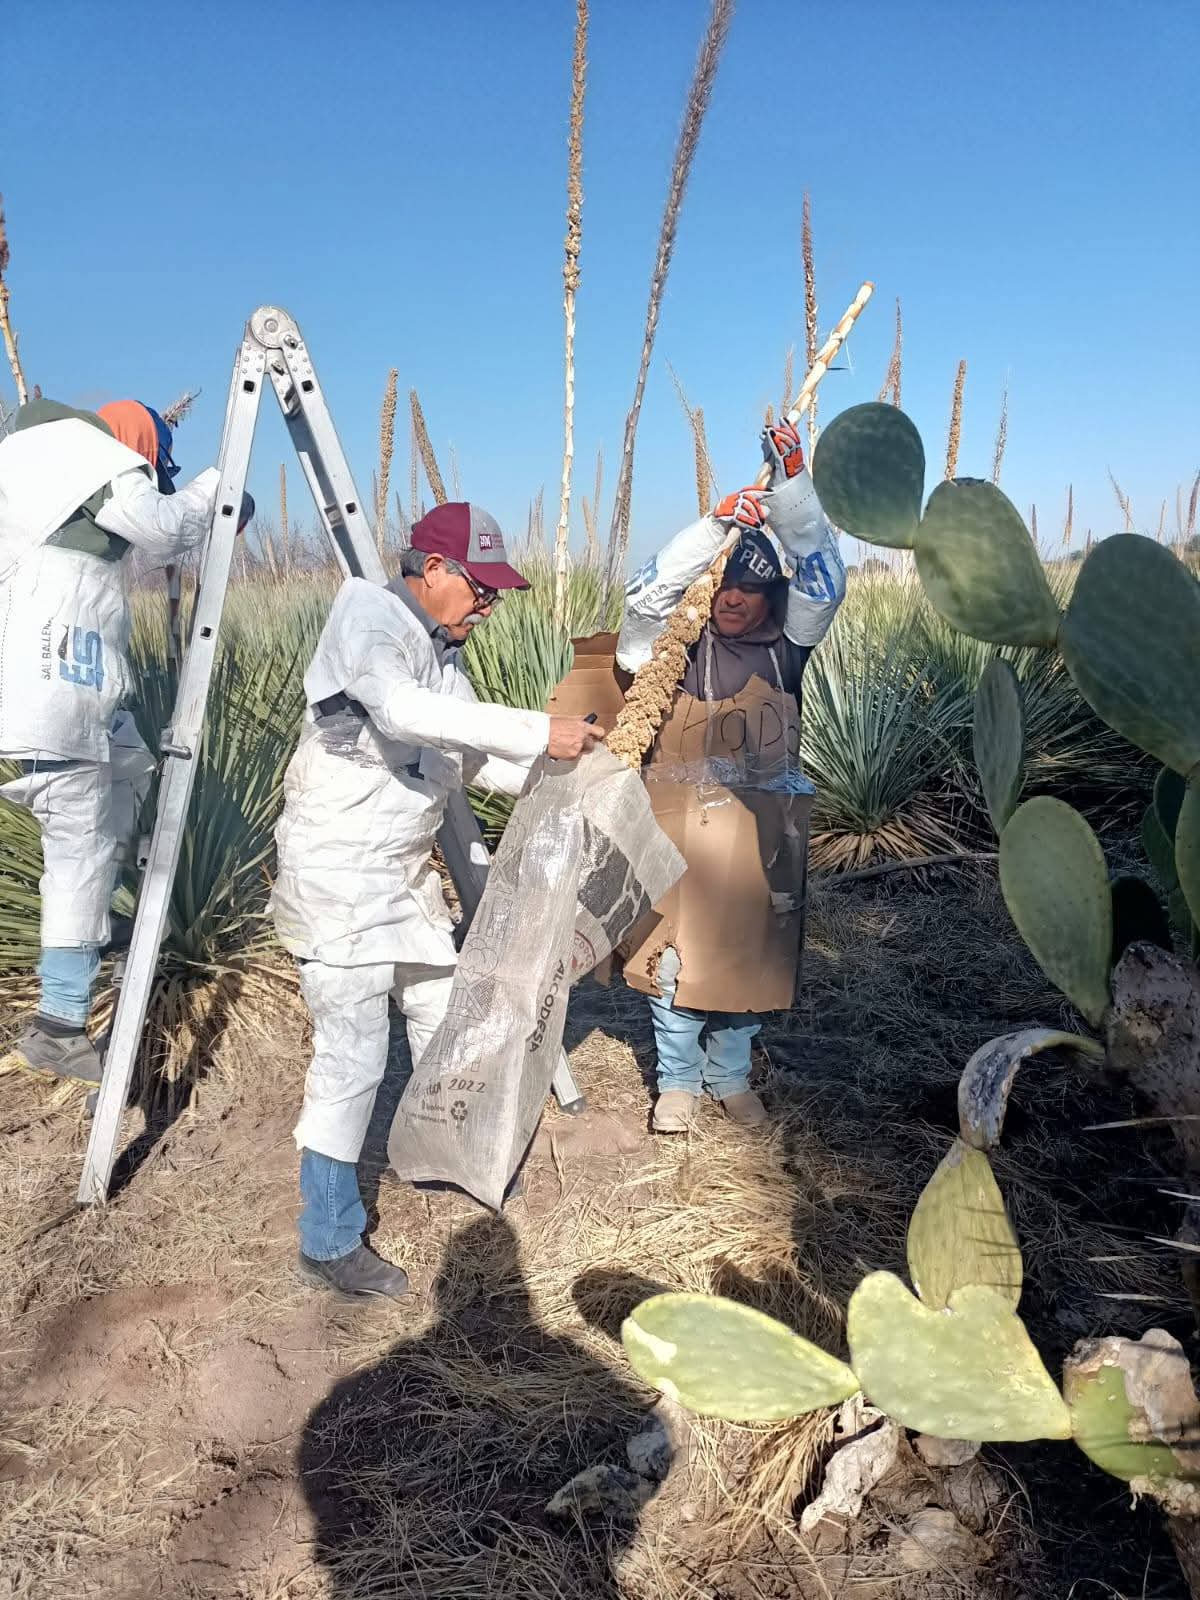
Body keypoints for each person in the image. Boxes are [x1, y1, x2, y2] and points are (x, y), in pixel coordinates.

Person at [271, 502, 604, 1299]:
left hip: (398, 876)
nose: (488, 607)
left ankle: (444, 1156)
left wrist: (570, 773)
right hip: (337, 877)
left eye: (495, 595)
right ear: (433, 570)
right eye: (479, 589)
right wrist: (540, 731)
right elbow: (401, 711)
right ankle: (327, 1238)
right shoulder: (370, 620)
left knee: (442, 1014)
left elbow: (463, 755)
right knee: (353, 1054)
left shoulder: (442, 659)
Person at [0, 397, 244, 1085]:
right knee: (77, 845)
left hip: (71, 692)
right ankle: (60, 1022)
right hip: (56, 699)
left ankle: (100, 920)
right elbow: (162, 531)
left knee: (132, 764)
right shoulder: (91, 453)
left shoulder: (40, 466)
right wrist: (222, 489)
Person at [616, 419, 845, 1132]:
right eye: (724, 585)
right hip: (676, 830)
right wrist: (715, 527)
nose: (733, 598)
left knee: (752, 949)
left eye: (750, 587)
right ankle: (678, 1083)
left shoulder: (789, 647)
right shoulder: (673, 648)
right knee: (673, 956)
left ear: (771, 595)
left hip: (760, 831)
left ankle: (732, 1077)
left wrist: (792, 485)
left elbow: (826, 579)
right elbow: (644, 597)